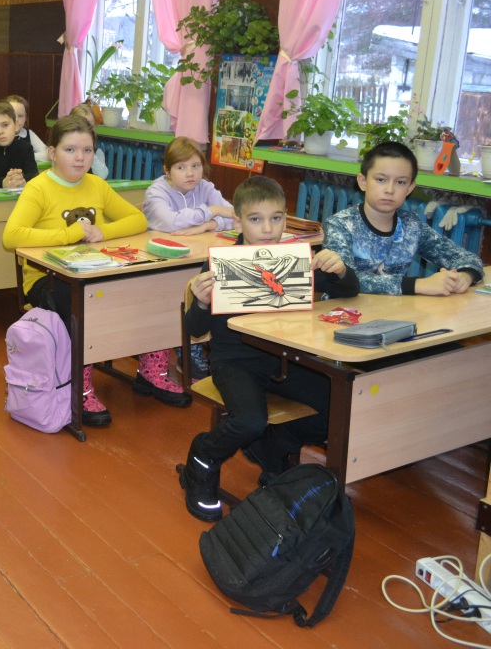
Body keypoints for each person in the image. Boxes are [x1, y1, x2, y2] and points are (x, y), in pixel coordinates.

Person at [180, 176, 359, 522]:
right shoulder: (222, 264)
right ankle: (203, 457)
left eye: (276, 218)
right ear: (238, 222)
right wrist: (200, 303)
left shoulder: (295, 259)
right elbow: (194, 330)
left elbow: (348, 290)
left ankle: (273, 445)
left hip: (286, 359)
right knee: (249, 420)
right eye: (256, 219)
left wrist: (340, 270)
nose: (267, 228)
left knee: (341, 407)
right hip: (235, 361)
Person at [2, 115, 148, 427]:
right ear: (52, 153)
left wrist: (103, 232)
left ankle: (151, 371)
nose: (80, 157)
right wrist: (69, 234)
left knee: (145, 290)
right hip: (47, 279)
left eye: (87, 150)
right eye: (70, 150)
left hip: (93, 272)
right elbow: (11, 237)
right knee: (80, 304)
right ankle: (78, 386)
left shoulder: (97, 184)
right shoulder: (38, 188)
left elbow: (138, 219)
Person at [133, 137, 235, 405]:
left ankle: (193, 345)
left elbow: (235, 216)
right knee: (176, 295)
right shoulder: (157, 192)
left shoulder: (205, 187)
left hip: (194, 259)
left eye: (196, 166)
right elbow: (171, 222)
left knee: (208, 286)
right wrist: (212, 211)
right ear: (167, 170)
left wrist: (208, 225)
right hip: (159, 269)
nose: (190, 173)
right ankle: (180, 347)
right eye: (181, 167)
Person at [323, 141, 483, 296]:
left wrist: (464, 276)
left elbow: (466, 257)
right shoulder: (340, 224)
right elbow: (345, 279)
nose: (390, 190)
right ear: (363, 182)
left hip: (393, 310)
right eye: (381, 180)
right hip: (341, 310)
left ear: (410, 188)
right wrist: (418, 285)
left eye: (400, 182)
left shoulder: (411, 225)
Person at [6, 95, 48, 162]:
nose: (16, 120)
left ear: (25, 117)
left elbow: (47, 154)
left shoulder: (29, 134)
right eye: (12, 115)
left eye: (20, 116)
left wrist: (24, 156)